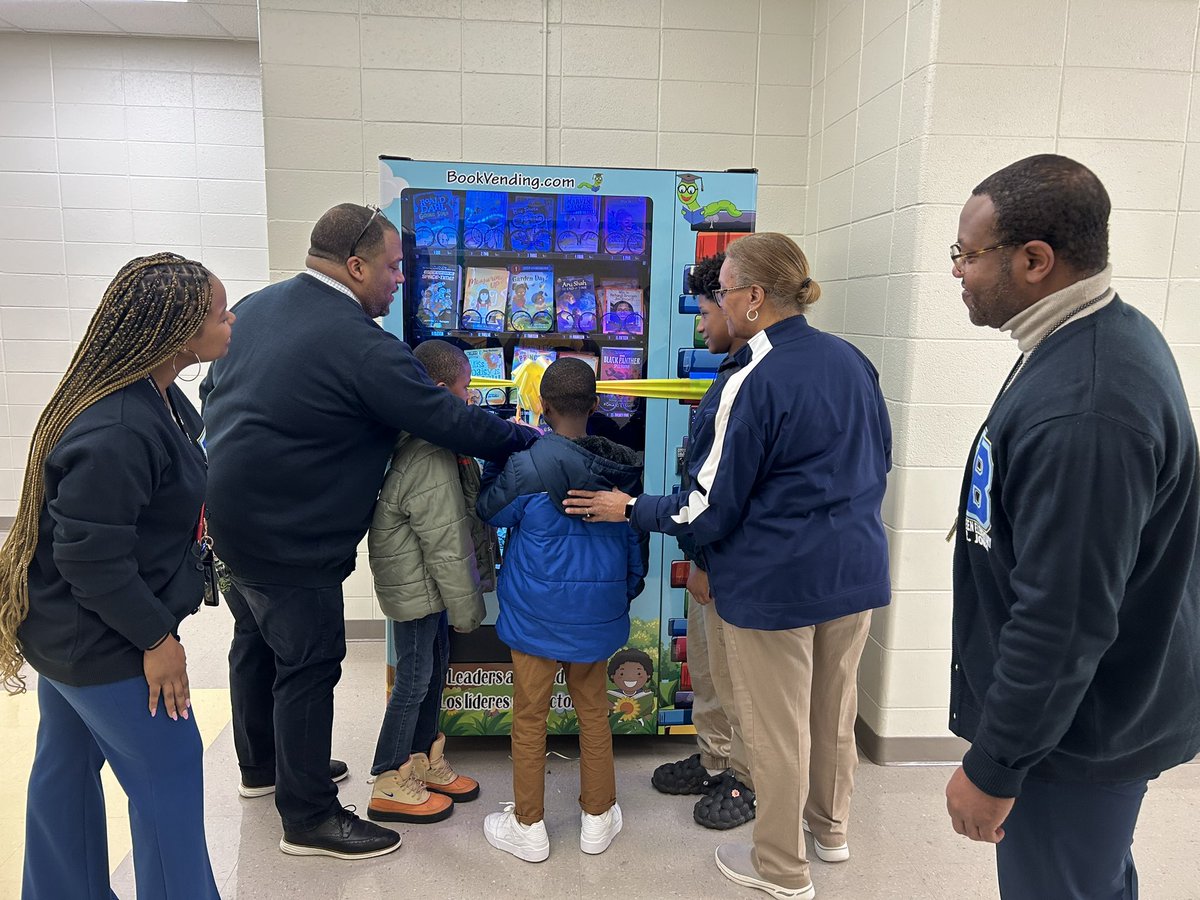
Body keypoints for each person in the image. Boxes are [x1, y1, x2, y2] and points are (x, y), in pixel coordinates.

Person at [200, 203, 536, 860]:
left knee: (255, 644)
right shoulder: (359, 344)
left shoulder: (258, 306)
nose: (398, 281)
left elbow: (215, 392)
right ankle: (309, 819)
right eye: (391, 268)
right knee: (310, 663)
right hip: (292, 536)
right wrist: (533, 442)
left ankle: (265, 769)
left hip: (228, 520)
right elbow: (454, 423)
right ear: (355, 267)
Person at [565, 232, 891, 900]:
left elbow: (707, 509)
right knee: (832, 715)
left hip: (776, 585)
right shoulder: (851, 360)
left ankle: (781, 869)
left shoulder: (752, 375)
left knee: (774, 731)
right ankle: (830, 834)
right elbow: (878, 459)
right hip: (853, 572)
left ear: (751, 296)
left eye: (720, 292)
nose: (713, 303)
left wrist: (630, 508)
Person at [944, 154, 1200, 900]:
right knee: (1091, 881)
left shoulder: (1086, 404)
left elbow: (1063, 617)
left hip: (1075, 734)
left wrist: (995, 766)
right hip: (1082, 717)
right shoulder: (1083, 339)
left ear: (1033, 259)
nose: (958, 270)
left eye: (967, 254)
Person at [0, 253, 234, 899]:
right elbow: (91, 561)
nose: (231, 320)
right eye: (219, 312)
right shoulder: (121, 427)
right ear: (180, 333)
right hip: (108, 642)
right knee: (170, 776)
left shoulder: (151, 397)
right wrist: (158, 642)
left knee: (64, 776)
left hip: (63, 634)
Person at [476, 358, 646, 864]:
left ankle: (529, 827)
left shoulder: (526, 465)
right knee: (594, 713)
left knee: (530, 718)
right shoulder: (623, 470)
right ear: (596, 406)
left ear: (542, 407)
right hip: (595, 617)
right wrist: (623, 593)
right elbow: (635, 546)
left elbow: (490, 509)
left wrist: (496, 453)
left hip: (535, 616)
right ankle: (598, 818)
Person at [650, 253, 756, 832]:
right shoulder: (729, 374)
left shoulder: (755, 382)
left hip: (735, 563)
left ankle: (744, 777)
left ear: (741, 304)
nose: (701, 325)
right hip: (709, 554)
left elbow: (728, 498)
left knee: (740, 680)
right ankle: (716, 758)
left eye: (707, 310)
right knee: (710, 671)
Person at [366, 340, 487, 824]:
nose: (472, 399)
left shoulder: (437, 444)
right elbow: (445, 541)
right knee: (414, 680)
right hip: (417, 588)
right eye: (466, 389)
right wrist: (466, 612)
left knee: (433, 672)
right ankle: (388, 778)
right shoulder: (428, 454)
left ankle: (421, 760)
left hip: (426, 585)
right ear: (440, 392)